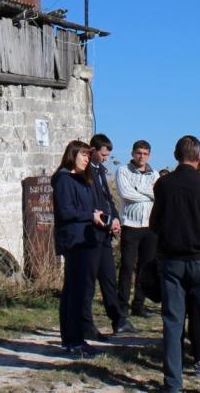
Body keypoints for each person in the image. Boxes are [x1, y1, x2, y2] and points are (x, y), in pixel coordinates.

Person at [150, 135, 200, 393]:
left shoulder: (163, 185)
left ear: (176, 156)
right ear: (199, 157)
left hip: (172, 261)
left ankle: (173, 384)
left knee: (173, 323)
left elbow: (154, 224)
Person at [51, 140, 103, 357]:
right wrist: (89, 216)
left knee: (77, 291)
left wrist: (99, 217)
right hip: (74, 241)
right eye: (83, 155)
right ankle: (73, 340)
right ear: (72, 155)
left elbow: (85, 208)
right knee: (75, 292)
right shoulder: (64, 179)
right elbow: (65, 211)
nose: (86, 159)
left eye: (88, 156)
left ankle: (73, 338)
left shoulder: (81, 180)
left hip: (84, 239)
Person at [83, 134, 136, 338]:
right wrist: (105, 220)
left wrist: (114, 219)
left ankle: (119, 320)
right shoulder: (86, 172)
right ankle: (86, 325)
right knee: (88, 283)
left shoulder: (101, 171)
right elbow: (93, 203)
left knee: (108, 279)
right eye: (103, 154)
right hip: (92, 234)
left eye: (107, 155)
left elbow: (107, 200)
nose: (105, 158)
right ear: (93, 150)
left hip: (104, 234)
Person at [116, 140, 160, 317]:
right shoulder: (123, 171)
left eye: (145, 153)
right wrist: (148, 194)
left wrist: (140, 188)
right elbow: (126, 193)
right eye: (139, 153)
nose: (142, 156)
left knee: (145, 267)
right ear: (133, 153)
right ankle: (122, 304)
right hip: (131, 225)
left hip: (149, 226)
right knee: (127, 266)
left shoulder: (154, 174)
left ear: (149, 155)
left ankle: (139, 304)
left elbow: (159, 195)